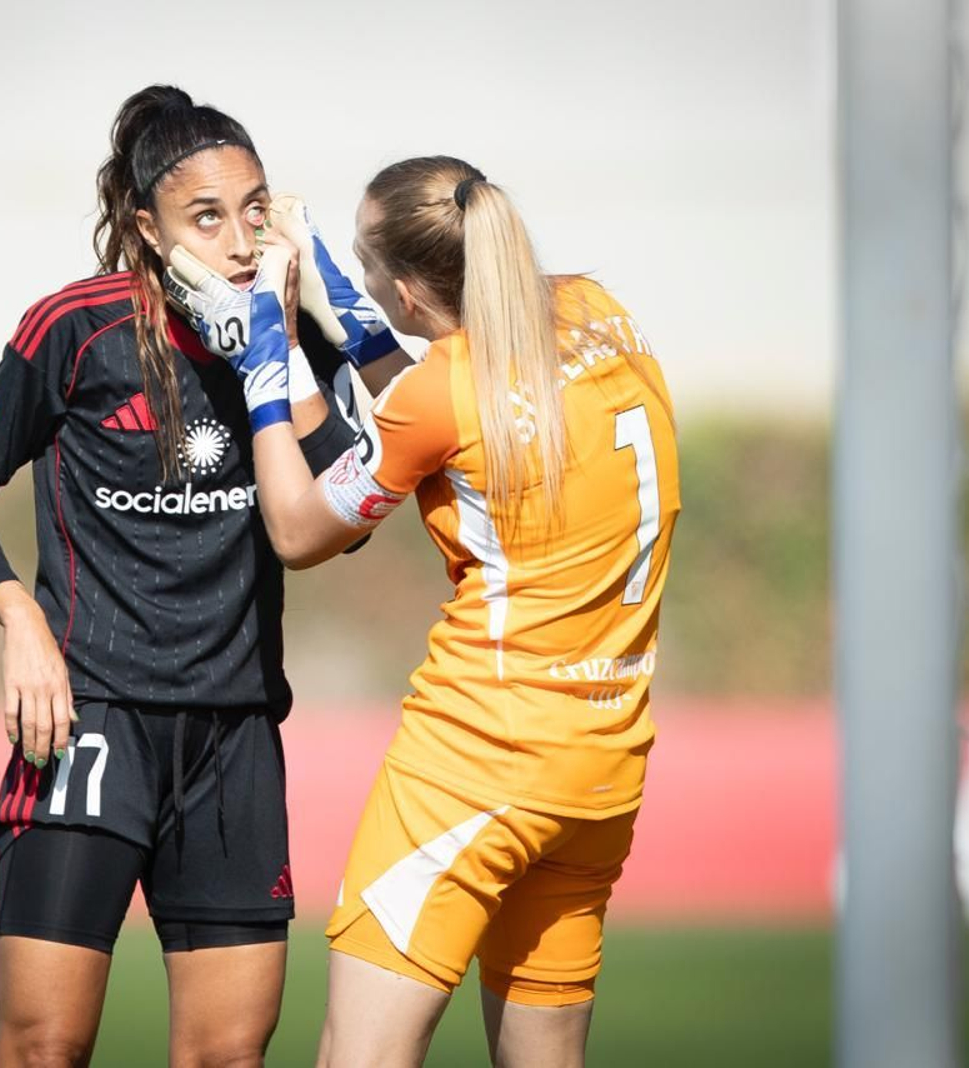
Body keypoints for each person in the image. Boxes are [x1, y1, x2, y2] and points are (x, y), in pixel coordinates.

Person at [0, 85, 398, 1067]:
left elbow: (342, 519)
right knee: (44, 1044)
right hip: (89, 723)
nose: (236, 239)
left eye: (253, 210)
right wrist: (21, 622)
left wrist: (288, 339)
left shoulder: (288, 338)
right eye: (206, 215)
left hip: (235, 738)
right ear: (145, 226)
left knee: (226, 1056)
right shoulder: (73, 329)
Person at [170, 156, 681, 1067]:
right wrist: (332, 279)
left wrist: (264, 356)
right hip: (603, 769)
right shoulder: (599, 312)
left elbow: (296, 528)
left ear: (406, 292)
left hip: (478, 761)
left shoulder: (442, 389)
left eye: (372, 279)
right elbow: (457, 388)